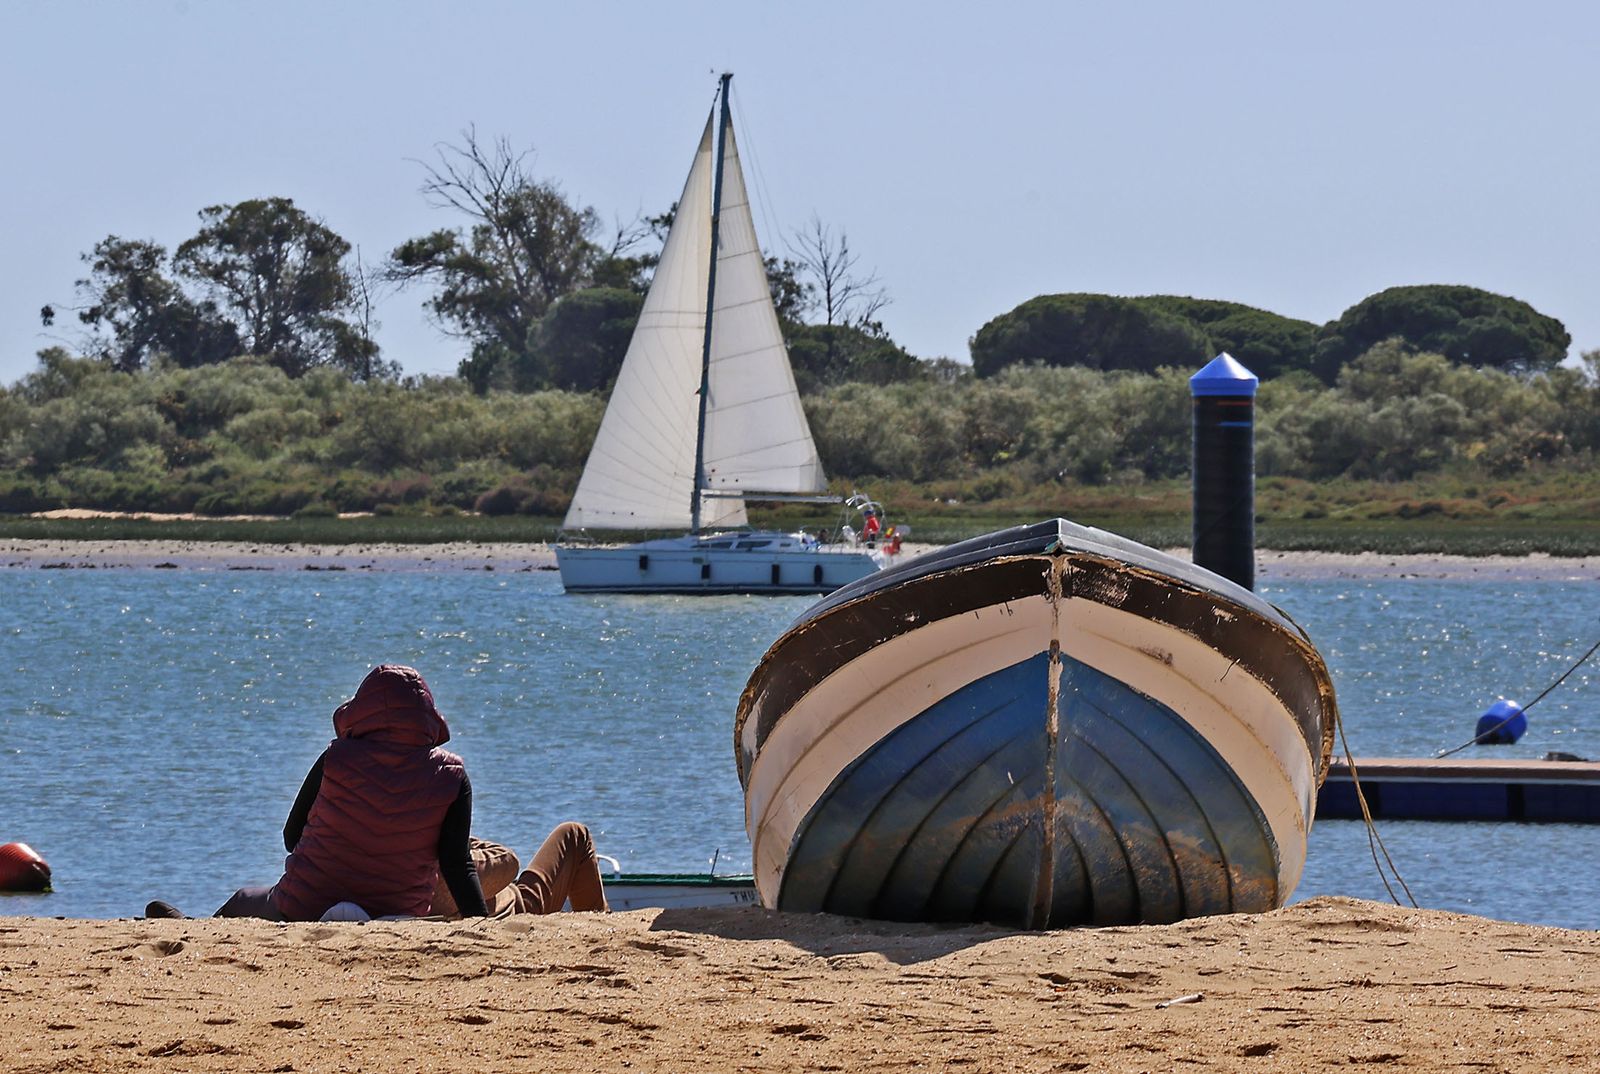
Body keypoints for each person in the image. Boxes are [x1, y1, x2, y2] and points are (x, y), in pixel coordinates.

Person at [146, 664, 607, 920]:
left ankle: (196, 931)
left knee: (245, 898)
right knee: (571, 835)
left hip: (306, 902)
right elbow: (455, 863)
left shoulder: (336, 757)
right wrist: (477, 927)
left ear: (359, 711)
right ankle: (601, 932)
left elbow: (292, 836)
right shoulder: (449, 775)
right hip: (408, 905)